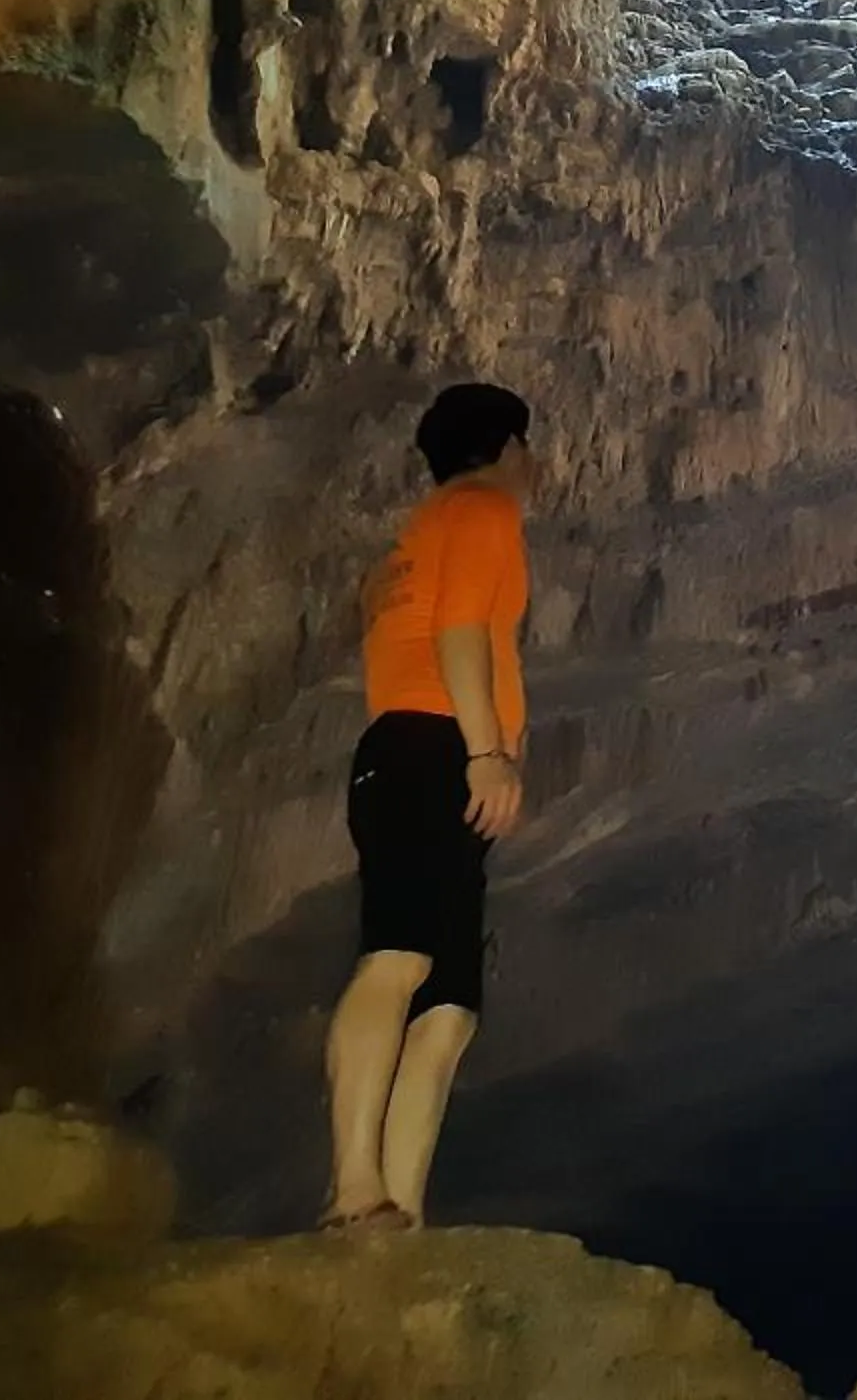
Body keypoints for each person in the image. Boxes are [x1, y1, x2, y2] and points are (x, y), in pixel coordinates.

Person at [320, 382, 535, 1232]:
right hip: (429, 745)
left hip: (412, 750)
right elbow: (459, 632)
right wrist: (486, 755)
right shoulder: (483, 511)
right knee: (398, 960)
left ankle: (401, 1214)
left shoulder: (416, 536)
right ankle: (351, 1189)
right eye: (530, 448)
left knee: (448, 1013)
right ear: (509, 448)